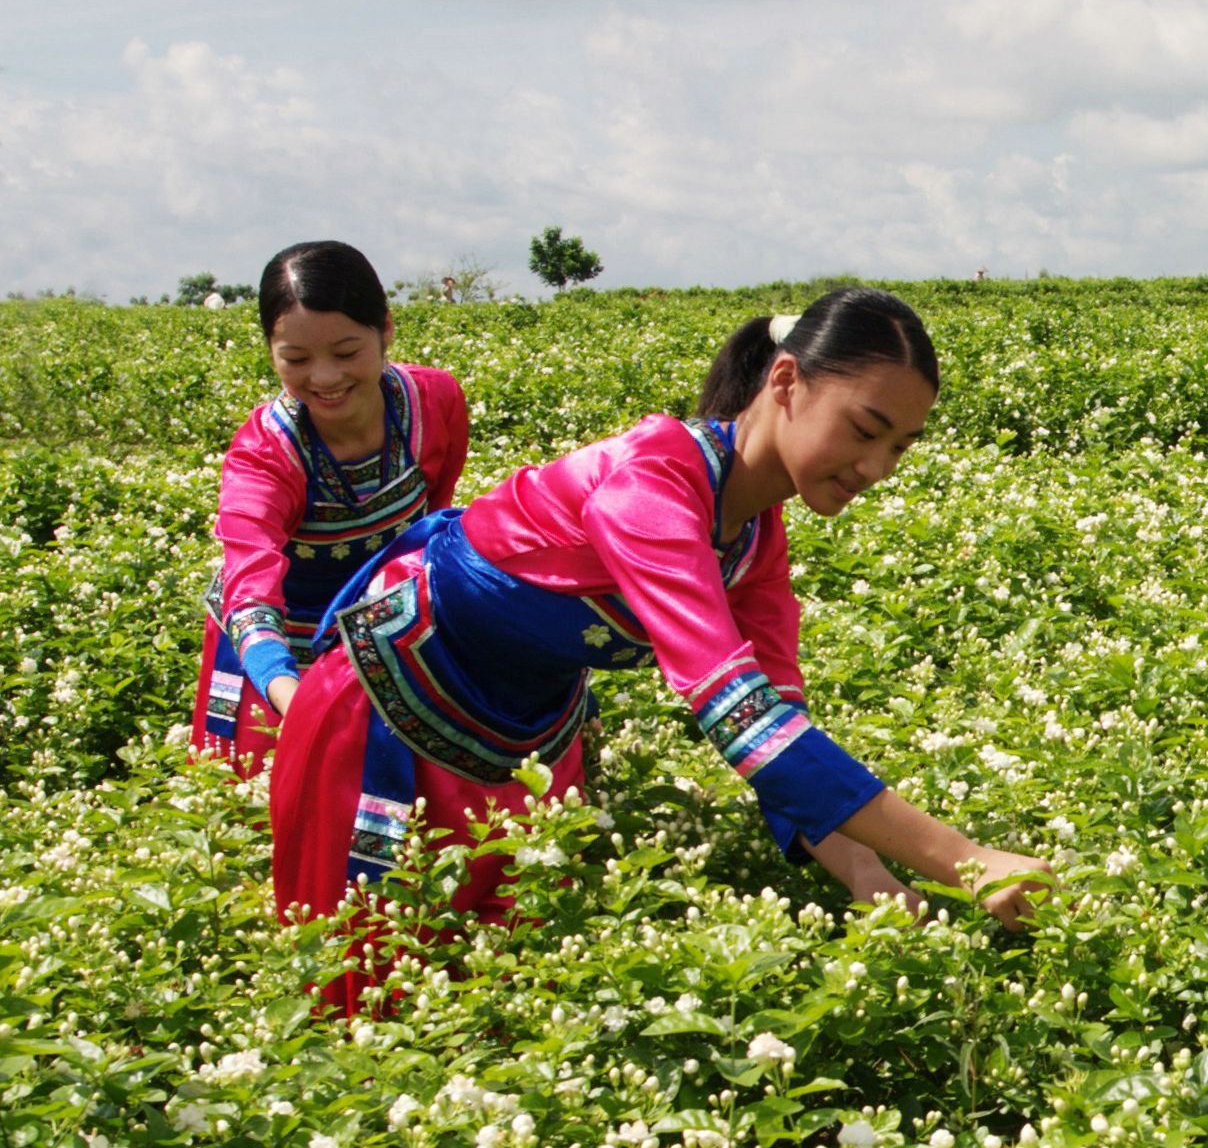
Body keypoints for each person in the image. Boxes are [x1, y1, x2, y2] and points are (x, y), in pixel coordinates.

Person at [268, 287, 1048, 1006]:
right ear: (785, 382)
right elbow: (741, 718)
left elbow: (781, 731)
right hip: (384, 717)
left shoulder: (754, 542)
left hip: (521, 743)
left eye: (901, 447)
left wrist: (868, 874)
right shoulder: (653, 483)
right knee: (367, 992)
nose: (876, 468)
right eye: (865, 430)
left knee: (497, 995)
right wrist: (965, 859)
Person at [197, 242, 470, 768]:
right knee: (264, 793)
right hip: (274, 653)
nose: (323, 378)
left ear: (385, 329)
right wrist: (297, 704)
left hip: (383, 626)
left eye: (346, 353)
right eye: (296, 359)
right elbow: (250, 597)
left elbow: (432, 529)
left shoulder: (434, 401)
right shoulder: (264, 455)